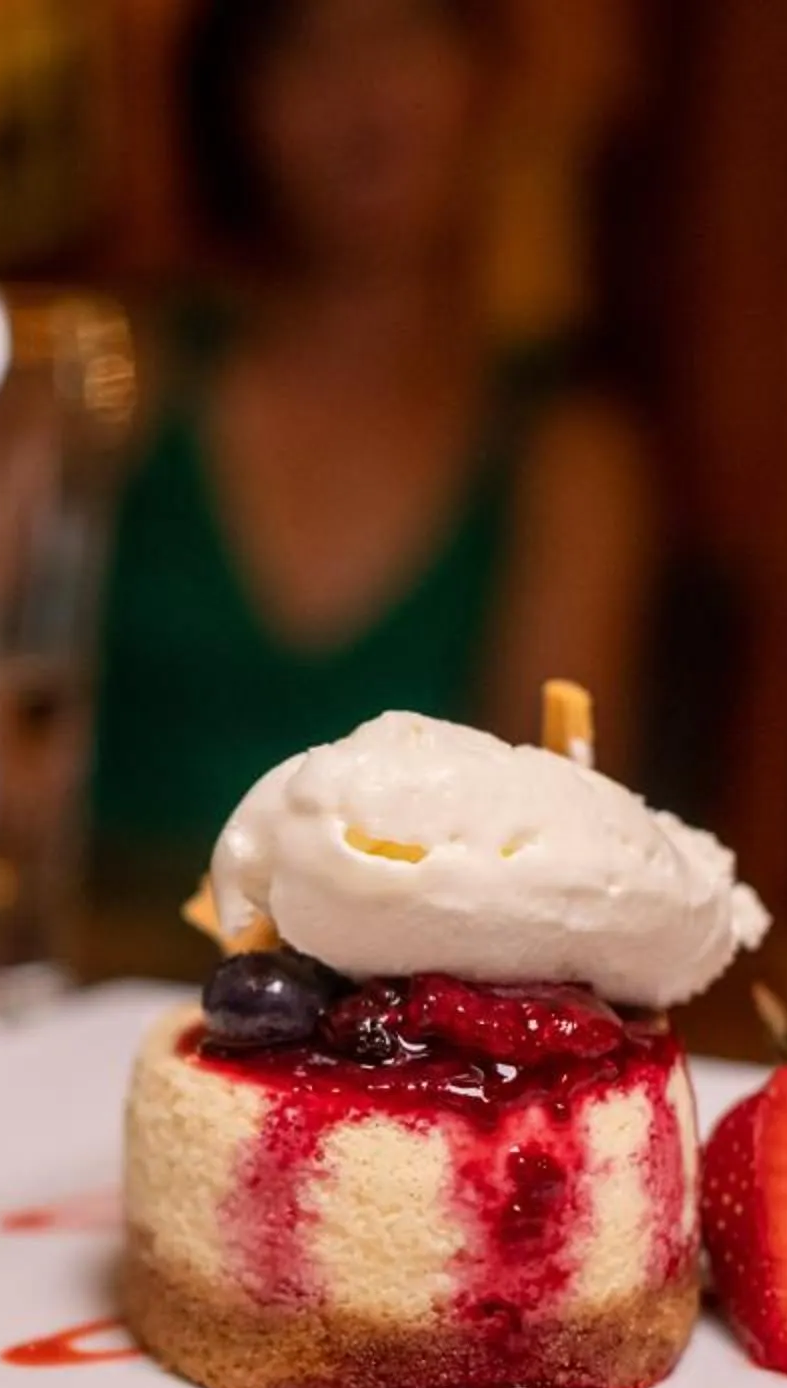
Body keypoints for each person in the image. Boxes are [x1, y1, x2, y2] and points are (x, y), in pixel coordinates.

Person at [90, 0, 654, 880]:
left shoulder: (565, 460)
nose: (363, 99)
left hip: (395, 1006)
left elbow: (551, 853)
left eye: (406, 36)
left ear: (491, 83)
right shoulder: (129, 382)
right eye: (305, 49)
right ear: (237, 102)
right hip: (94, 992)